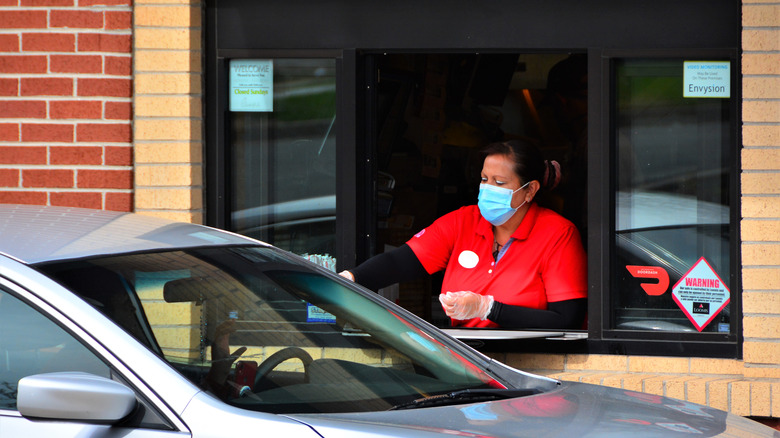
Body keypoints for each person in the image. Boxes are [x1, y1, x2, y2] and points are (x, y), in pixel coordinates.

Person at [340, 139, 587, 329]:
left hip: (532, 359)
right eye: (484, 179)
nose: (488, 189)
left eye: (499, 183)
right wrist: (351, 278)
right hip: (464, 355)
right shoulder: (464, 220)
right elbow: (401, 261)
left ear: (530, 190)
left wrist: (488, 308)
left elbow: (567, 319)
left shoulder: (559, 234)